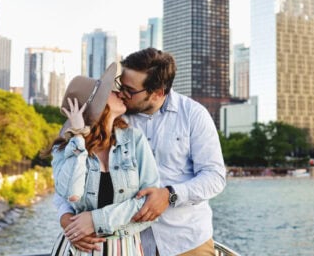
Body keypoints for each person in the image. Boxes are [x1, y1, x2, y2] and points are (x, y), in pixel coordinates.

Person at [56, 48, 226, 256]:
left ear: (158, 93)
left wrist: (170, 195)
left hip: (185, 241)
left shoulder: (193, 115)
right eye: (121, 86)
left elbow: (215, 177)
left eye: (130, 90)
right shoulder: (112, 117)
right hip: (126, 243)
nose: (122, 94)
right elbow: (71, 174)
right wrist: (67, 219)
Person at [48, 63, 160, 255]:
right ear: (98, 105)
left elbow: (150, 203)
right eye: (110, 90)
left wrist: (95, 220)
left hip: (124, 248)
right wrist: (77, 137)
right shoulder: (65, 149)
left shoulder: (135, 140)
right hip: (79, 249)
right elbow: (71, 194)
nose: (119, 92)